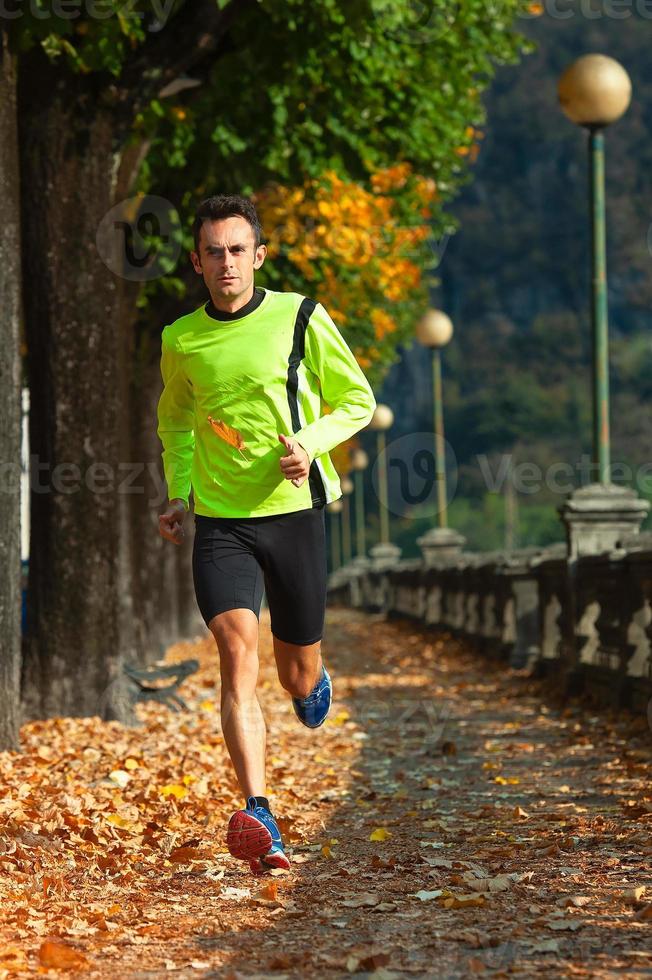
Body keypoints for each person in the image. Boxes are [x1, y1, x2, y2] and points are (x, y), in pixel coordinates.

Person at [156, 194, 376, 874]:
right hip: (222, 523)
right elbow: (177, 421)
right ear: (197, 262)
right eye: (213, 253)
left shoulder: (301, 316)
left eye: (237, 250)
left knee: (293, 670)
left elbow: (356, 400)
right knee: (234, 647)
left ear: (259, 255)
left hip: (295, 513)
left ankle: (310, 681)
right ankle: (259, 811)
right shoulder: (180, 339)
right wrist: (178, 491)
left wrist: (309, 444)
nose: (227, 264)